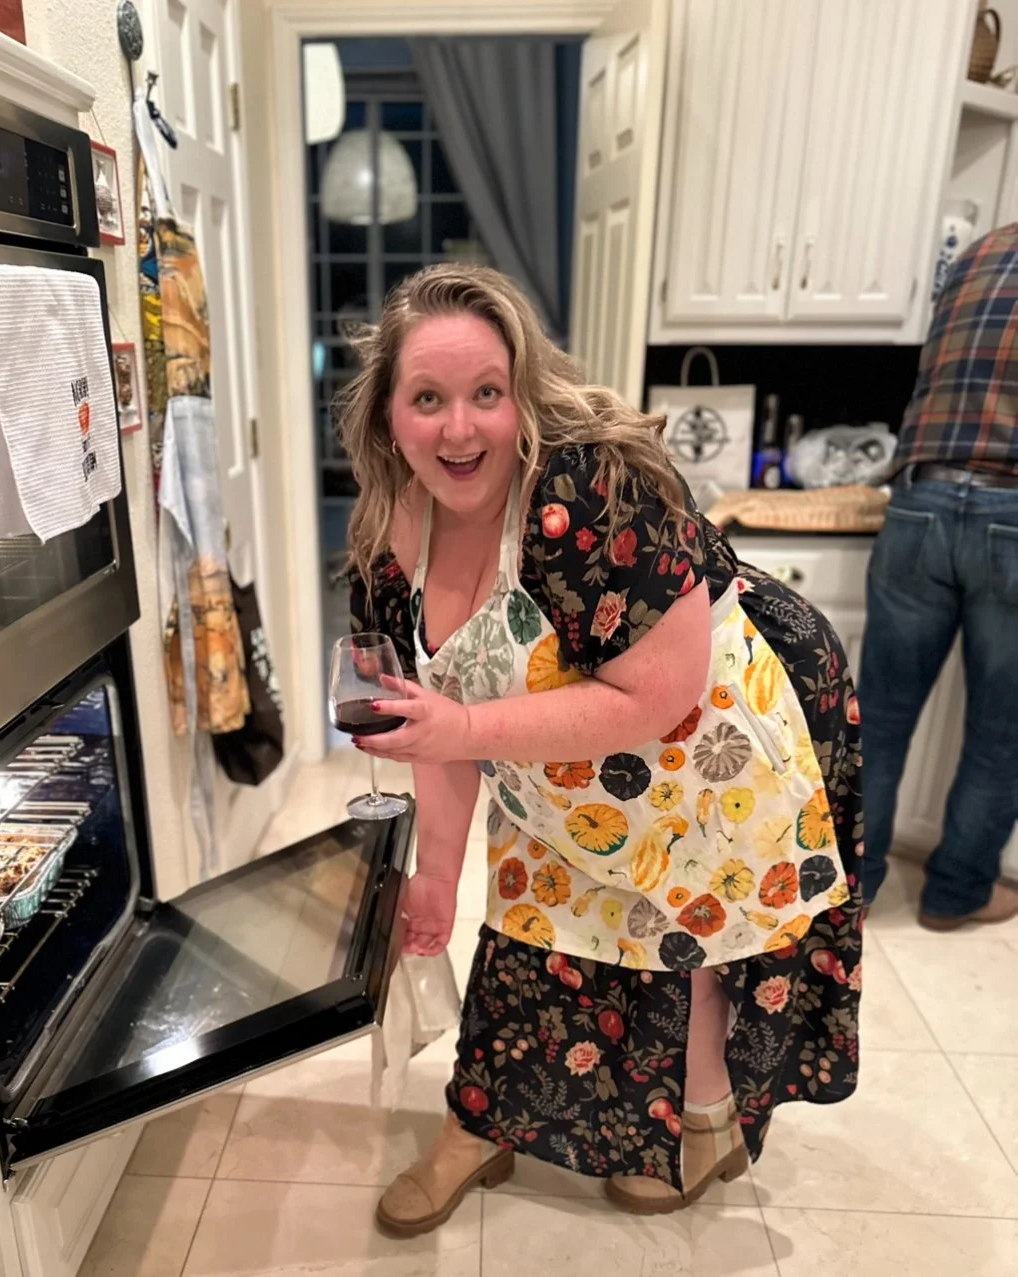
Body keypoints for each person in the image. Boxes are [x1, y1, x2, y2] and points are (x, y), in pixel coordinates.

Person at [341, 264, 862, 1234]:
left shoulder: (587, 491)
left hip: (709, 755)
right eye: (428, 399)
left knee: (688, 945)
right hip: (560, 767)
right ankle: (477, 1125)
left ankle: (704, 1126)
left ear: (520, 393)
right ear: (387, 415)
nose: (460, 430)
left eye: (486, 394)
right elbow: (428, 730)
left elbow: (654, 692)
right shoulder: (382, 541)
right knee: (525, 930)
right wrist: (436, 878)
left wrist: (464, 730)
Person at [858, 223, 1018, 929]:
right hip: (1011, 505)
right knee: (1001, 731)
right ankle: (954, 893)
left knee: (877, 722)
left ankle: (844, 893)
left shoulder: (979, 250)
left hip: (918, 501)